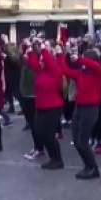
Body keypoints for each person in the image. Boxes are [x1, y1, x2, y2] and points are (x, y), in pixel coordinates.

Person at [56, 45, 101, 179]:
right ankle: (87, 166)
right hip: (79, 107)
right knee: (76, 140)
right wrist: (59, 55)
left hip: (91, 109)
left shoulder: (97, 73)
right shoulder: (81, 73)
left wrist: (80, 59)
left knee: (83, 141)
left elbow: (95, 66)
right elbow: (65, 70)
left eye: (84, 58)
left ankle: (93, 168)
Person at [26, 40, 65, 169]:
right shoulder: (41, 71)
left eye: (43, 59)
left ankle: (57, 160)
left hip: (52, 108)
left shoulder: (54, 71)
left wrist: (43, 49)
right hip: (41, 108)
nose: (41, 61)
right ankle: (52, 158)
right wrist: (31, 48)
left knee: (49, 135)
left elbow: (48, 59)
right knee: (39, 132)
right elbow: (33, 62)